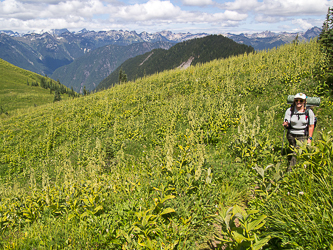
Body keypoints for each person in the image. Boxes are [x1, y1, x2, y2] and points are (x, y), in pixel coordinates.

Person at [282, 93, 315, 170]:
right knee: (292, 151)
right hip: (291, 135)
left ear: (304, 101)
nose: (298, 102)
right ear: (294, 101)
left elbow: (311, 126)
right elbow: (287, 123)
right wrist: (286, 124)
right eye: (296, 100)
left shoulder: (309, 112)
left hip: (302, 135)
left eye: (301, 100)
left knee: (296, 152)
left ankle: (289, 172)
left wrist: (309, 138)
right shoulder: (290, 110)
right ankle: (298, 166)